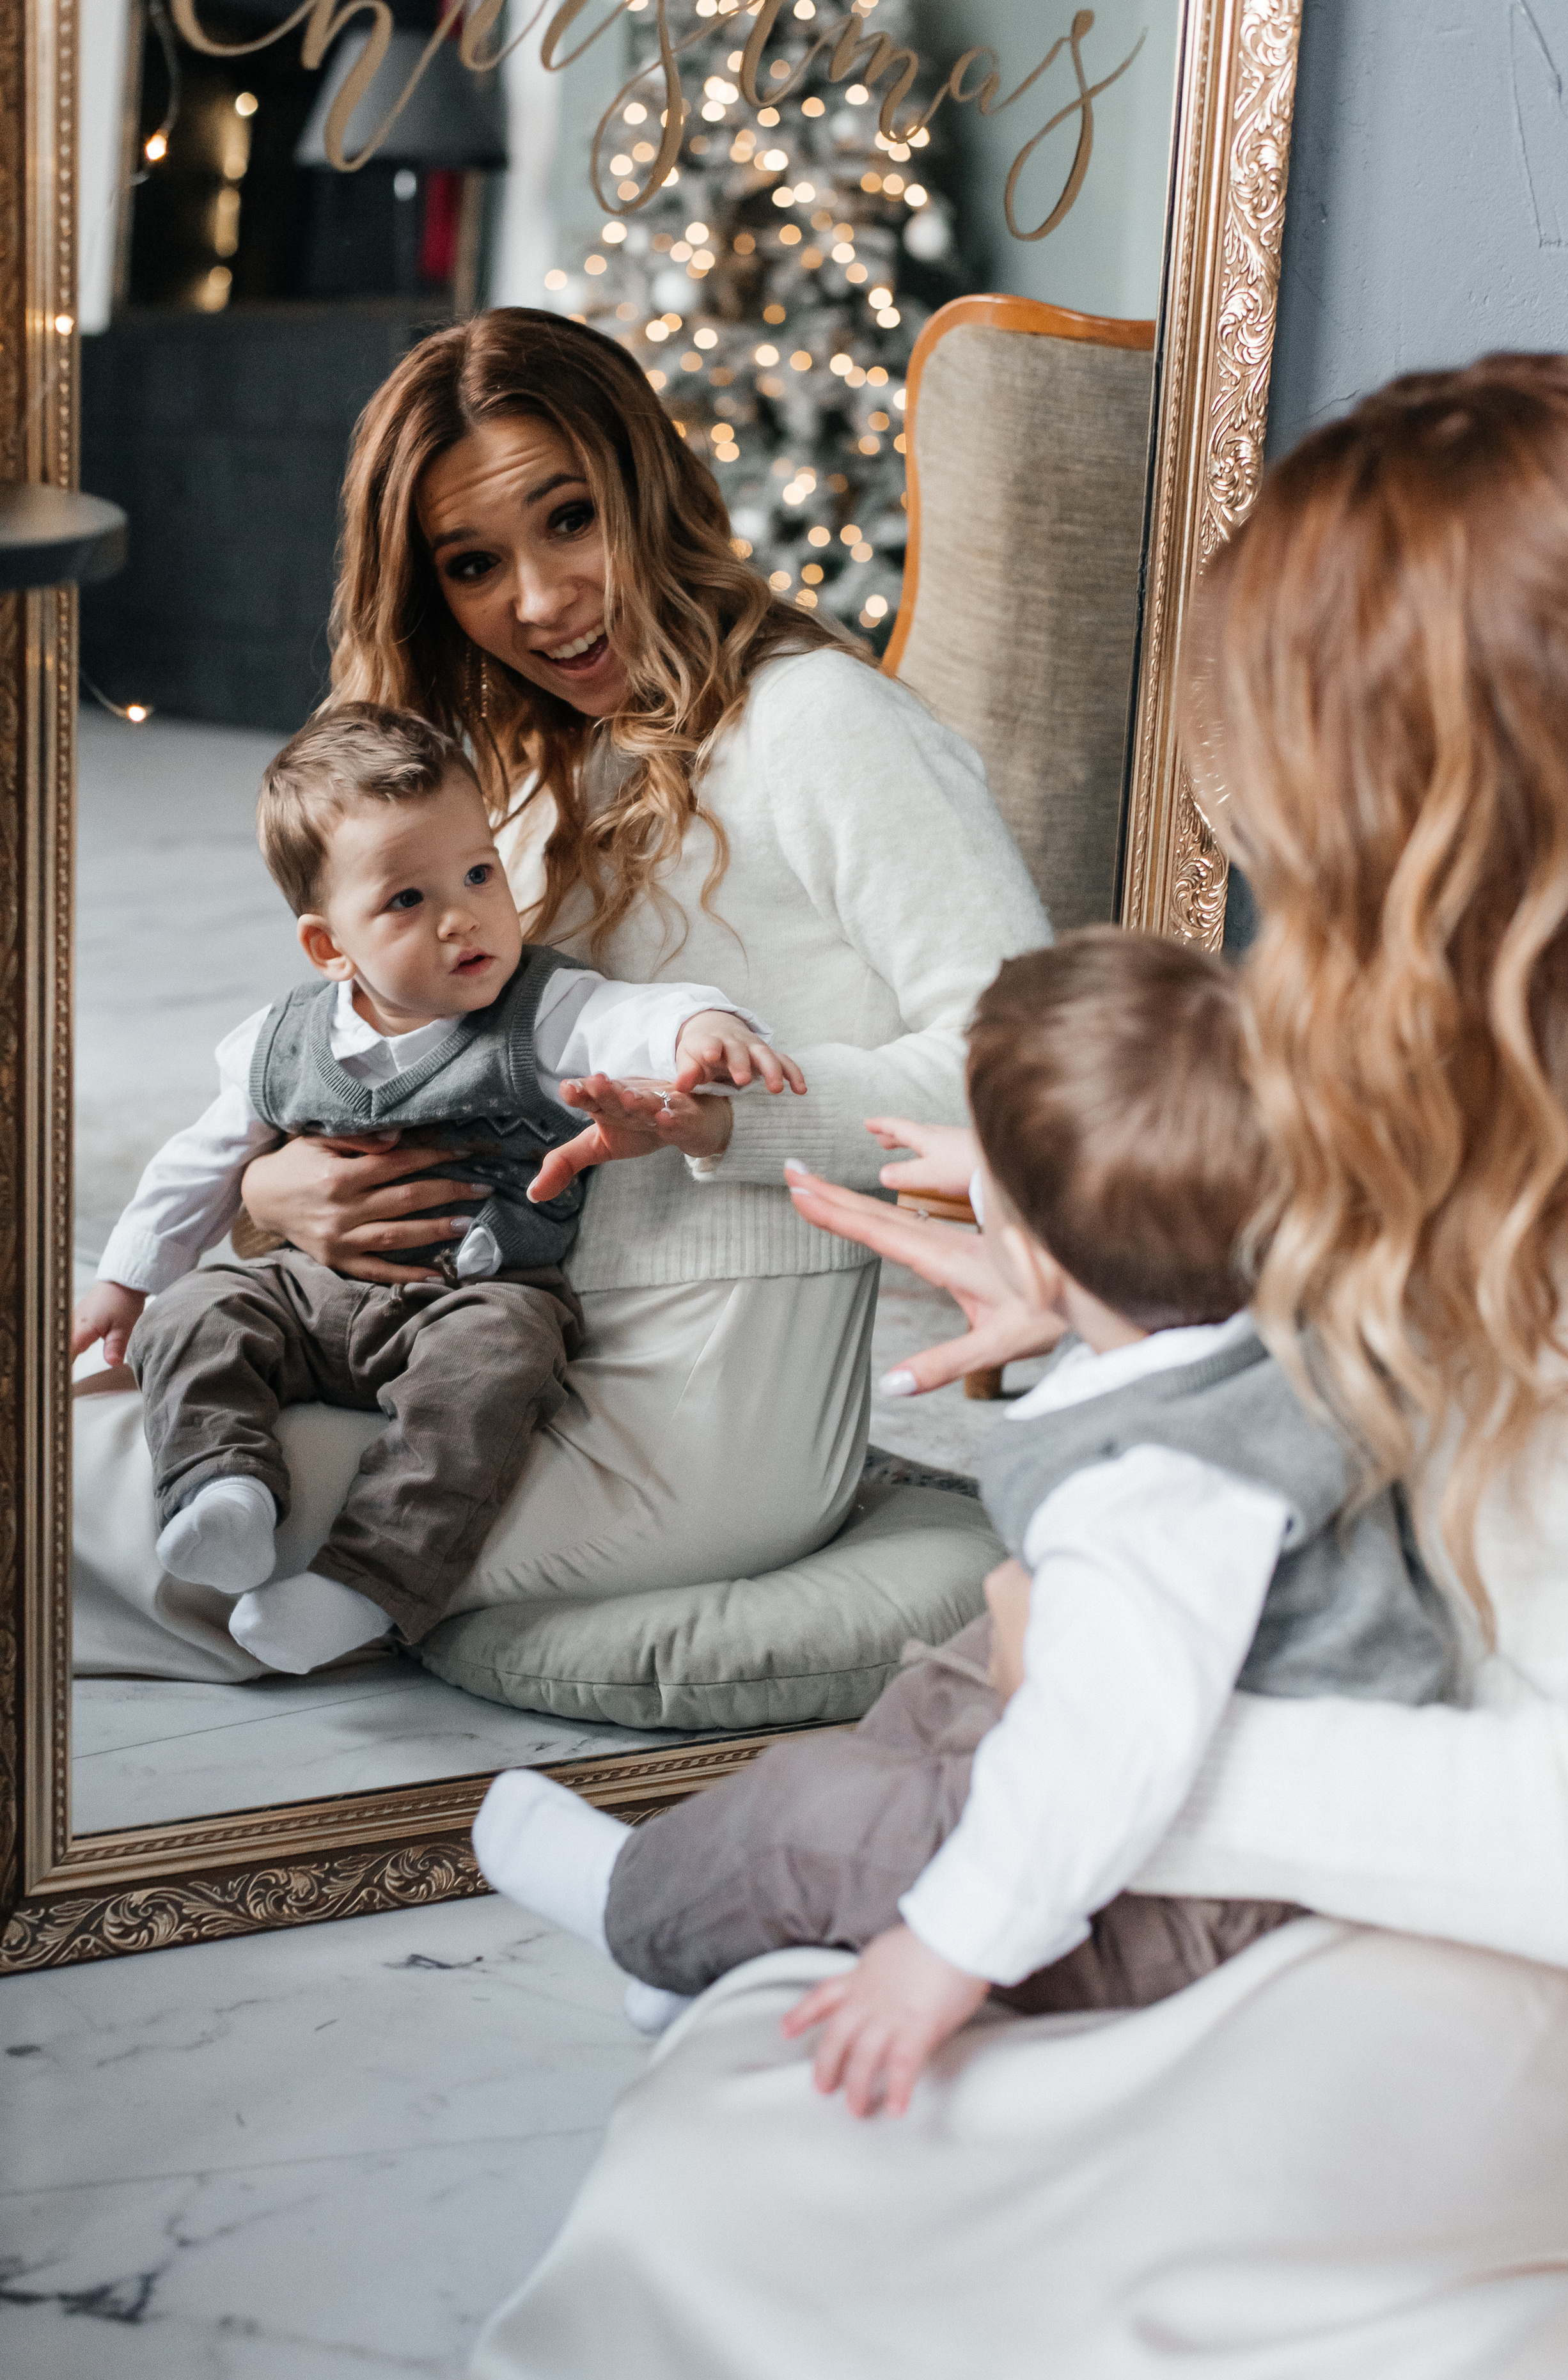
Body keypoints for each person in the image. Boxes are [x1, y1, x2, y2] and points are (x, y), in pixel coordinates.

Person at [435, 357, 1568, 2380]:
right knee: (752, 2133)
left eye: (1278, 754)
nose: (1233, 817)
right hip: (1364, 1813)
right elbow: (1380, 1453)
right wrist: (1118, 1346)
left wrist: (1114, 1738)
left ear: (1448, 805)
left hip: (1535, 1939)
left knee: (804, 2206)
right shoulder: (1456, 1107)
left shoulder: (821, 737)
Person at [73, 309, 1048, 1677]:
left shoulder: (825, 729)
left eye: (570, 520)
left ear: (651, 489)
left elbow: (1032, 1086)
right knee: (107, 1395)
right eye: (474, 564)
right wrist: (267, 1194)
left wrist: (728, 1121)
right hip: (461, 1375)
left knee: (61, 1489)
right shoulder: (511, 783)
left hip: (687, 1427)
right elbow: (369, 1052)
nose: (536, 600)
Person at [472, 927, 1454, 2102]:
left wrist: (950, 1951)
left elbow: (1105, 1754)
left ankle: (645, 1898)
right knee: (952, 1677)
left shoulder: (1152, 1487)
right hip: (1210, 1756)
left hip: (1201, 1888)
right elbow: (1129, 1201)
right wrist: (1001, 1180)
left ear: (1031, 1261)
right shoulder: (1269, 1308)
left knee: (812, 1816)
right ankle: (731, 1946)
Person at [72, 702, 800, 1673]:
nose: (463, 917)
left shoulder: (539, 1010)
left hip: (472, 1296)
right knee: (196, 1312)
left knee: (501, 1360)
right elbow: (197, 1164)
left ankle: (364, 1586)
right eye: (407, 901)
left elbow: (633, 1016)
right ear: (331, 947)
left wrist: (699, 1029)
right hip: (306, 1295)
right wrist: (126, 1283)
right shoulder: (278, 1041)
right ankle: (222, 1492)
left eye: (478, 873)